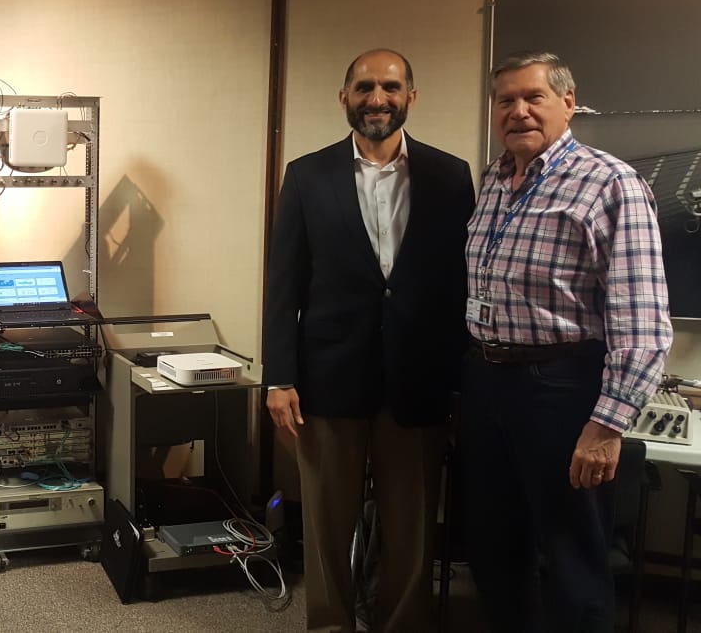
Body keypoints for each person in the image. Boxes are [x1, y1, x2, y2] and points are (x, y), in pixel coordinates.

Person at [460, 51, 672, 633]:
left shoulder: (611, 183)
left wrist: (606, 426)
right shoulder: (494, 179)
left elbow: (642, 319)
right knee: (494, 549)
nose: (519, 111)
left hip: (560, 388)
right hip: (486, 382)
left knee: (571, 557)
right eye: (506, 100)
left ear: (569, 103)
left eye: (534, 97)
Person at [264, 49, 475, 632]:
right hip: (327, 379)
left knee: (411, 526)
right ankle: (330, 624)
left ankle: (401, 624)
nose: (376, 99)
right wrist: (279, 376)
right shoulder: (307, 176)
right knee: (327, 524)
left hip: (419, 380)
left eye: (390, 87)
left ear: (411, 97)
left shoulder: (450, 175)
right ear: (344, 98)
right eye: (364, 88)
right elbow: (284, 285)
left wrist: (460, 383)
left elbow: (460, 285)